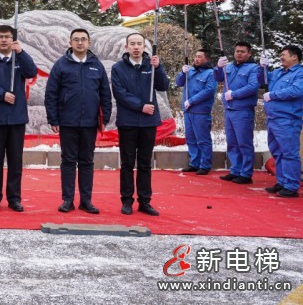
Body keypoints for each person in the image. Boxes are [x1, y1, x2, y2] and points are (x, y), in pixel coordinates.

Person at [44, 28, 112, 214]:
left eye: (83, 39)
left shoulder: (96, 65)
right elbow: (51, 93)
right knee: (68, 161)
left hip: (90, 122)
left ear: (89, 43)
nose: (80, 43)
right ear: (70, 43)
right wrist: (53, 118)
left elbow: (105, 93)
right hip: (68, 122)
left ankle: (86, 200)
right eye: (76, 39)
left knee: (87, 161)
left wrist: (105, 118)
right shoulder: (61, 65)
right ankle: (67, 200)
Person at [0, 24, 38, 212]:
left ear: (13, 40)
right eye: (0, 37)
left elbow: (31, 72)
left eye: (7, 37)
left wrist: (22, 53)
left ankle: (14, 198)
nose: (4, 40)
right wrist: (1, 94)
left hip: (17, 118)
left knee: (15, 161)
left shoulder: (19, 60)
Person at [110, 32, 168, 217]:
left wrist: (158, 68)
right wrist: (140, 106)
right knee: (127, 163)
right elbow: (119, 93)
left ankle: (145, 201)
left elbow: (163, 86)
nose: (136, 47)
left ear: (144, 46)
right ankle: (127, 200)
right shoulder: (118, 68)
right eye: (132, 44)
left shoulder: (152, 65)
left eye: (139, 44)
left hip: (148, 122)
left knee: (145, 163)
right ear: (126, 47)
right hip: (128, 122)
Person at [214, 42, 260, 185]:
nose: (239, 54)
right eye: (237, 51)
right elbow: (218, 77)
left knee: (244, 142)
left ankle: (246, 173)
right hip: (229, 109)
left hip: (243, 110)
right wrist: (218, 67)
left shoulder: (253, 68)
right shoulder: (229, 67)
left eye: (242, 51)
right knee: (232, 142)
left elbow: (253, 86)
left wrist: (234, 94)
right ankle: (235, 170)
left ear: (249, 53)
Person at [262, 45, 303, 198]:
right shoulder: (277, 72)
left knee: (289, 153)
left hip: (288, 119)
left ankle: (291, 186)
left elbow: (296, 90)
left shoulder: (300, 73)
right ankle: (282, 181)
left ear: (295, 57)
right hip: (273, 118)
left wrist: (273, 95)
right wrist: (262, 67)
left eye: (284, 54)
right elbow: (262, 80)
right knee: (277, 152)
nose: (281, 57)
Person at [175, 49, 216, 175]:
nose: (197, 59)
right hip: (188, 111)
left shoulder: (211, 73)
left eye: (200, 57)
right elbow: (179, 83)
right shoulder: (190, 71)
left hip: (200, 111)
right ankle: (194, 163)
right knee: (191, 138)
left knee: (203, 139)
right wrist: (182, 73)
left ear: (207, 59)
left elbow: (208, 90)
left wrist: (192, 101)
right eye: (196, 56)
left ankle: (205, 164)